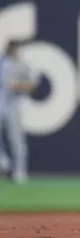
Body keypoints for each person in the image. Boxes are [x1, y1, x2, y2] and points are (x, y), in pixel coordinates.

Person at [0, 40, 38, 184]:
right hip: (1, 102)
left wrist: (18, 86)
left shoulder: (22, 66)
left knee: (16, 139)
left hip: (14, 104)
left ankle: (20, 171)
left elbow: (31, 86)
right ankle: (3, 161)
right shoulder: (2, 63)